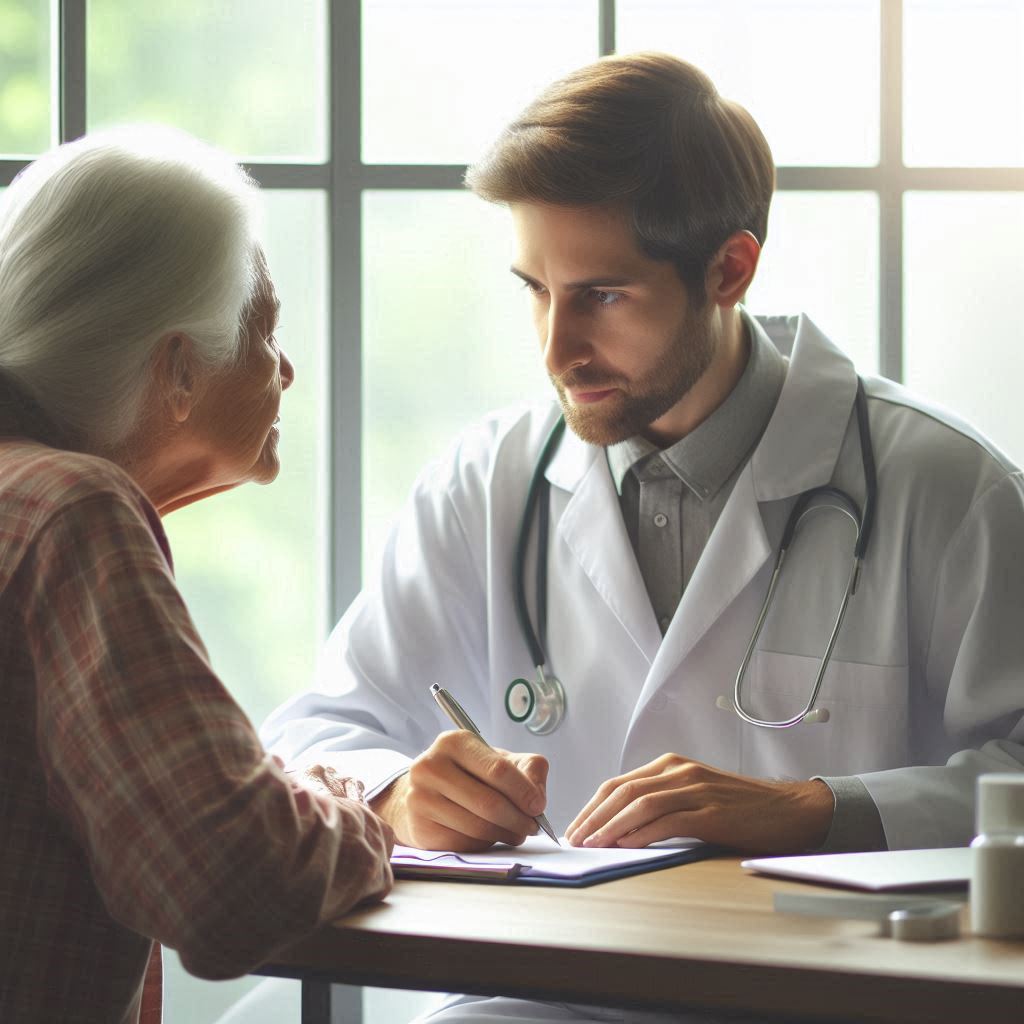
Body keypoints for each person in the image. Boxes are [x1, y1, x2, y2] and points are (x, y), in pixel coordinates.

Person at [262, 51, 1024, 1018]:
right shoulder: (487, 482)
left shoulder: (944, 486)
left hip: (842, 995)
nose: (555, 348)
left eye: (602, 295)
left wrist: (816, 810)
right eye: (536, 288)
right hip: (551, 995)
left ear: (729, 269)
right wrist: (395, 794)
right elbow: (316, 730)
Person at [0, 127, 394, 1024]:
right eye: (266, 328)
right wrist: (347, 804)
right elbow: (229, 883)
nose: (287, 370)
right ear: (178, 369)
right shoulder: (71, 512)